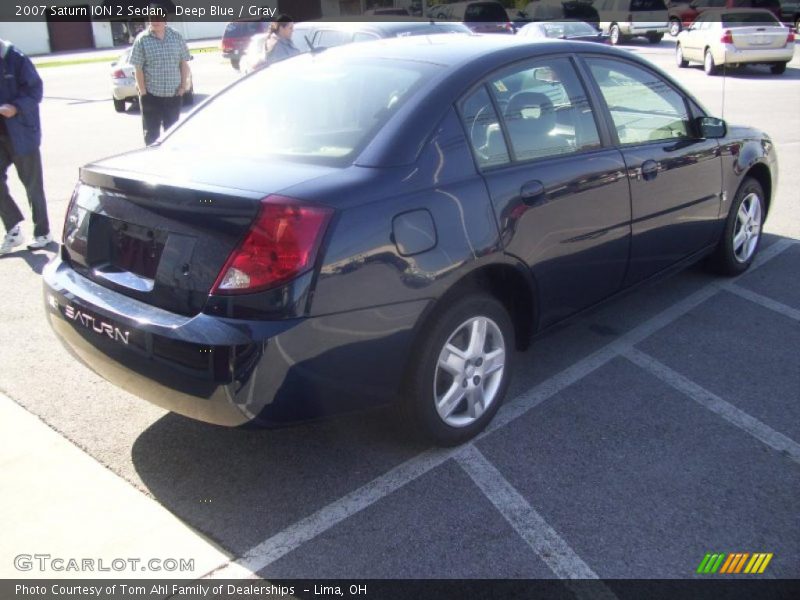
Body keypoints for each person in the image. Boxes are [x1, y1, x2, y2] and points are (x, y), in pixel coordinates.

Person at [0, 38, 51, 254]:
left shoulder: (15, 58)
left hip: (21, 133)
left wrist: (16, 107)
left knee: (32, 185)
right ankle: (13, 229)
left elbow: (35, 91)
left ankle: (43, 232)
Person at [130, 10, 191, 146]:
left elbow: (183, 63)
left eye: (158, 18)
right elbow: (138, 68)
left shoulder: (176, 37)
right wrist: (143, 92)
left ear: (165, 20)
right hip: (151, 96)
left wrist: (182, 87)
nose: (155, 21)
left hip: (173, 94)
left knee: (172, 134)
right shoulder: (142, 39)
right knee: (151, 135)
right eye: (152, 18)